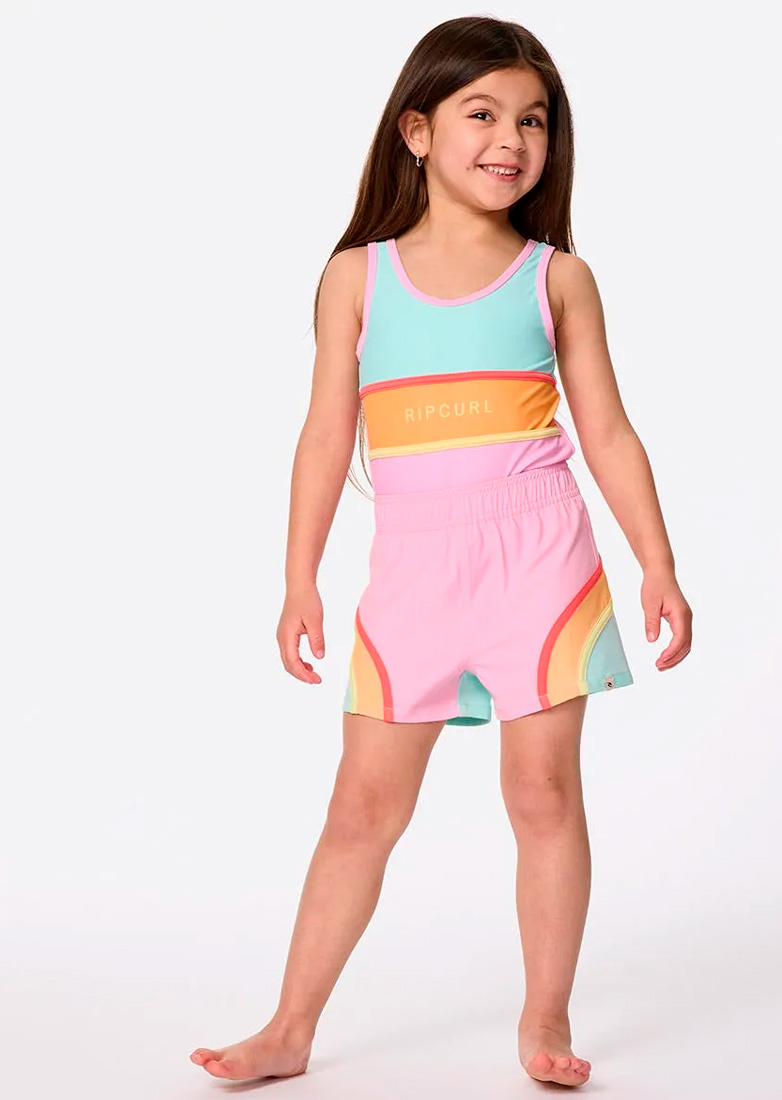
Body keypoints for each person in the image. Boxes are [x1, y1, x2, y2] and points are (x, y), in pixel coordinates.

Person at [190, 14, 692, 1089]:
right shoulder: (356, 277)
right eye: (483, 114)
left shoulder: (558, 278)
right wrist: (298, 577)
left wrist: (657, 562)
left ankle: (545, 1017)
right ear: (416, 131)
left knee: (544, 794)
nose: (511, 139)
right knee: (361, 809)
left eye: (534, 121)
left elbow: (607, 431)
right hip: (413, 577)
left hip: (542, 567)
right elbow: (324, 436)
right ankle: (288, 1027)